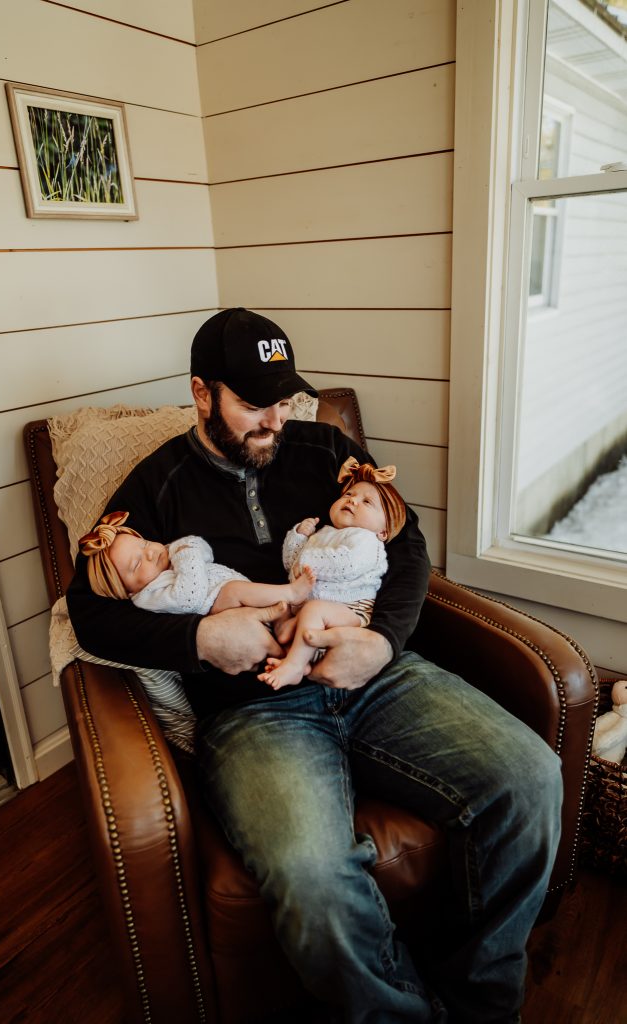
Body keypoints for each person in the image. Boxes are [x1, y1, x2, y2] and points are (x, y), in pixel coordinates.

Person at [67, 307, 563, 1024]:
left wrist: (381, 641)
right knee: (310, 876)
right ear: (202, 394)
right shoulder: (155, 485)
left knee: (528, 778)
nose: (273, 417)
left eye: (280, 397)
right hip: (254, 711)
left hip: (375, 674)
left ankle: (480, 1008)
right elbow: (87, 611)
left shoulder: (322, 446)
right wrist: (199, 642)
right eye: (250, 402)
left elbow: (408, 547)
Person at [259, 457, 406, 690]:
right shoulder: (324, 534)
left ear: (384, 531)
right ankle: (300, 660)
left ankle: (295, 665)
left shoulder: (366, 540)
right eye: (349, 495)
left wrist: (307, 559)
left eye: (366, 502)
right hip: (311, 617)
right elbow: (292, 565)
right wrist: (299, 536)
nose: (353, 501)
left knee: (313, 610)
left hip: (350, 610)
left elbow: (346, 565)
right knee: (280, 609)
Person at [77, 509, 316, 616]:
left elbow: (203, 550)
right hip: (223, 607)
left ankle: (286, 627)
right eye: (137, 564)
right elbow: (190, 596)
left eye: (144, 543)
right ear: (127, 591)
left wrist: (181, 549)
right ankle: (291, 592)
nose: (150, 552)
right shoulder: (149, 596)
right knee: (235, 590)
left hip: (240, 598)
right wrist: (183, 551)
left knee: (281, 616)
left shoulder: (168, 557)